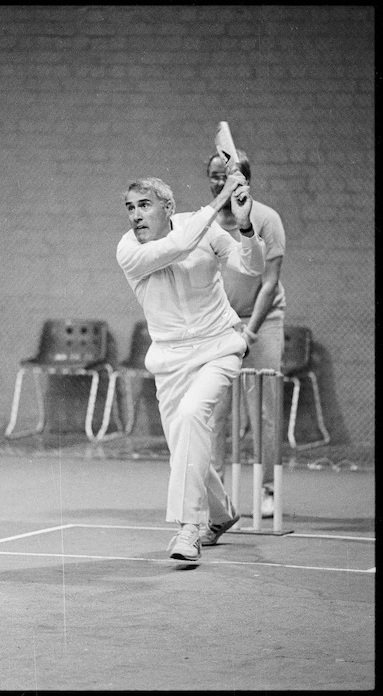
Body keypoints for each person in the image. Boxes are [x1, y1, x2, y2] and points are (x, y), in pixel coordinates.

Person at [116, 173, 265, 561]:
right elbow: (179, 245)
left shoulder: (208, 228)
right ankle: (222, 513)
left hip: (219, 347)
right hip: (170, 360)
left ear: (168, 207)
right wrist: (219, 202)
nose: (135, 215)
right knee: (183, 442)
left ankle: (188, 530)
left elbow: (250, 267)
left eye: (144, 205)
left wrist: (245, 226)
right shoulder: (129, 250)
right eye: (130, 207)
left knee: (191, 413)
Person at [207, 149, 286, 533]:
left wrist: (250, 331)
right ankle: (217, 497)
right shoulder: (203, 221)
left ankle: (267, 489)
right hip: (219, 326)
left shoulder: (266, 218)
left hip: (262, 320)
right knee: (215, 410)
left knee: (263, 411)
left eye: (228, 175)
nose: (220, 182)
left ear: (244, 180)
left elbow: (269, 281)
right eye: (214, 175)